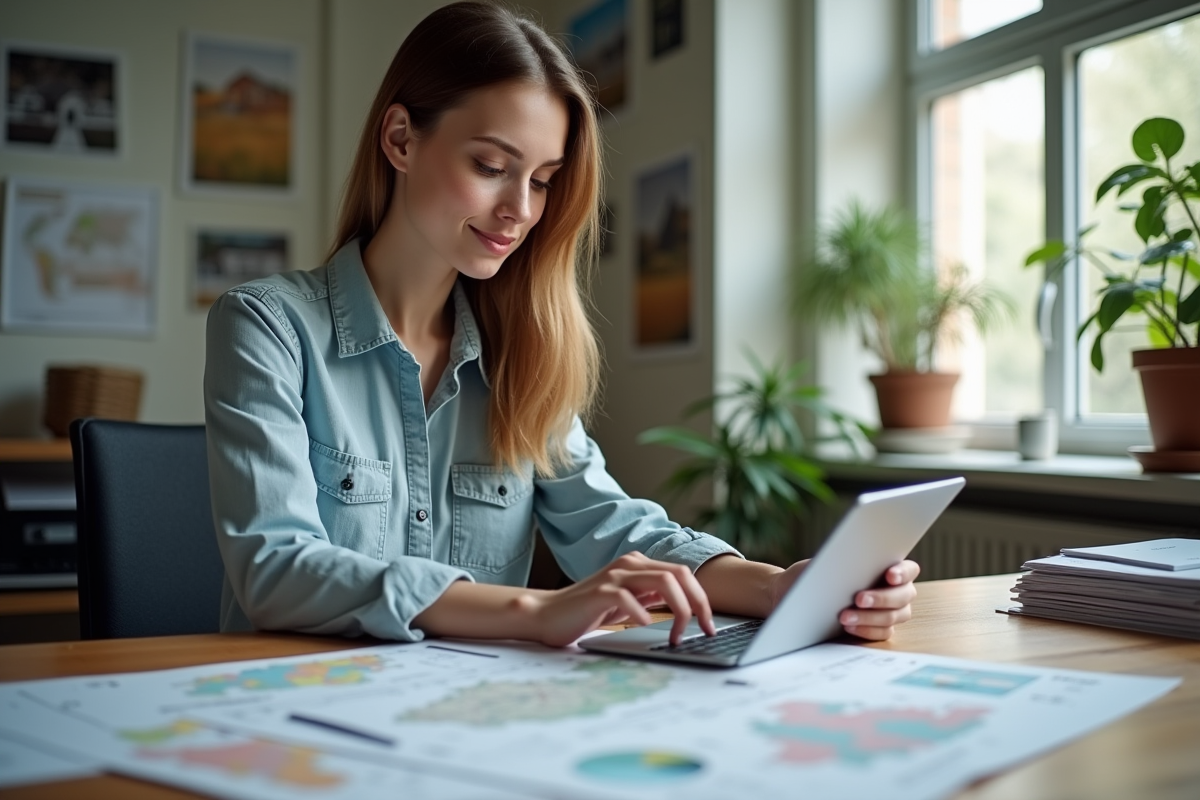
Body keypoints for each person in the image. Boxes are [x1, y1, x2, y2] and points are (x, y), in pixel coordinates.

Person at [204, 0, 919, 650]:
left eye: (543, 179)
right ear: (400, 139)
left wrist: (776, 586)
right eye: (491, 165)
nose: (520, 206)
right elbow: (277, 568)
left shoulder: (523, 352)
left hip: (460, 721)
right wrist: (535, 611)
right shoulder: (267, 328)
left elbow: (610, 527)